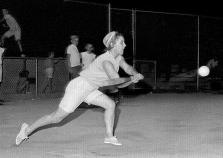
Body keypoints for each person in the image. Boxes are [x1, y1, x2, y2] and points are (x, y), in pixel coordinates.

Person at [15, 31, 144, 146]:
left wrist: (134, 73)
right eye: (122, 42)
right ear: (113, 45)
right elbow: (116, 82)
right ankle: (26, 130)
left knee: (110, 104)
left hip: (90, 88)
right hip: (79, 87)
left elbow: (127, 68)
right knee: (57, 118)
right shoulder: (106, 61)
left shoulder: (118, 57)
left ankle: (109, 137)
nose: (125, 45)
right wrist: (131, 79)